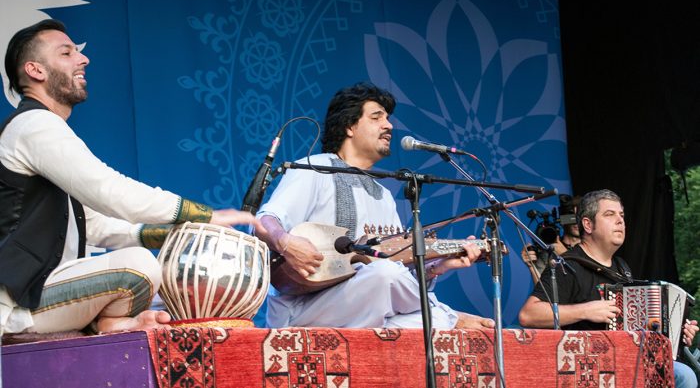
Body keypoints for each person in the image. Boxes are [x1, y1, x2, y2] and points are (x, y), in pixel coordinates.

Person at [0, 19, 260, 335]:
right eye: (66, 53)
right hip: (13, 305)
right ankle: (106, 324)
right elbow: (108, 190)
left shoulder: (44, 130)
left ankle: (108, 324)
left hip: (36, 295)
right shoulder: (34, 126)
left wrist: (176, 233)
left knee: (152, 269)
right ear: (36, 71)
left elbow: (95, 224)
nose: (84, 59)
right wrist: (204, 215)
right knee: (138, 266)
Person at [255, 82, 494, 330]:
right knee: (385, 276)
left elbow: (396, 268)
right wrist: (285, 242)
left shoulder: (382, 194)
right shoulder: (314, 168)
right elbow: (263, 221)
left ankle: (443, 319)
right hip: (304, 307)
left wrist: (436, 267)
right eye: (377, 117)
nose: (389, 125)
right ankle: (451, 318)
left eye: (388, 118)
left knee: (402, 309)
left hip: (363, 303)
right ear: (350, 126)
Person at [518, 189, 699, 387]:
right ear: (588, 224)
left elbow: (636, 324)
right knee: (684, 376)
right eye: (609, 215)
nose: (620, 221)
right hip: (590, 364)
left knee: (682, 372)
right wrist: (586, 310)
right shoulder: (567, 266)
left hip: (627, 358)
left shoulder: (622, 267)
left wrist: (675, 331)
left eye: (621, 215)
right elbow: (529, 314)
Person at [522, 194, 581, 283]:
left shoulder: (593, 248)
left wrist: (565, 254)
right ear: (562, 218)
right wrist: (532, 267)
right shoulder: (549, 250)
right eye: (571, 216)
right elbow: (542, 292)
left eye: (580, 216)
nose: (576, 221)